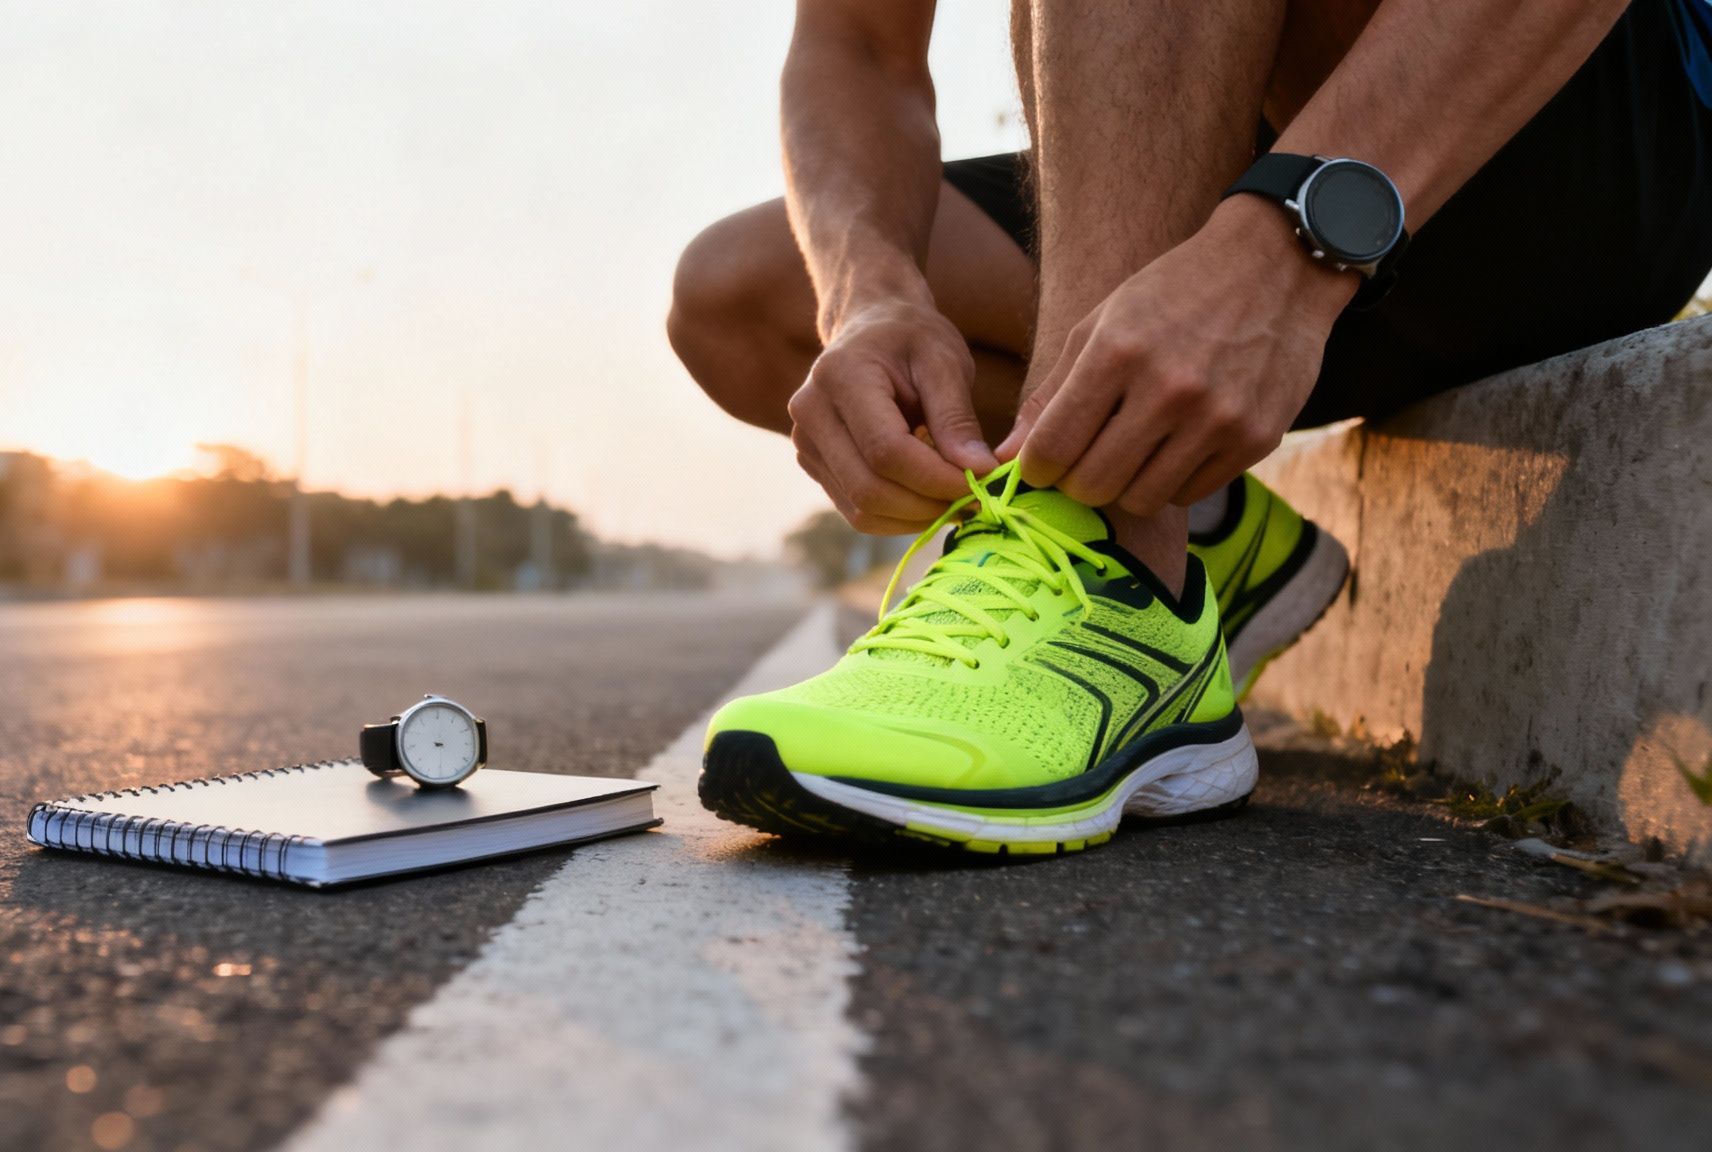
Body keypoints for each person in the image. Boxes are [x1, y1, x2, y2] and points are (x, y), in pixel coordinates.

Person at [673, 0, 1712, 852]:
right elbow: (854, 41)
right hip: (1269, 199)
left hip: (1569, 132)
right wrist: (867, 297)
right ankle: (1204, 527)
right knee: (742, 298)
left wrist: (1285, 250)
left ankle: (1115, 568)